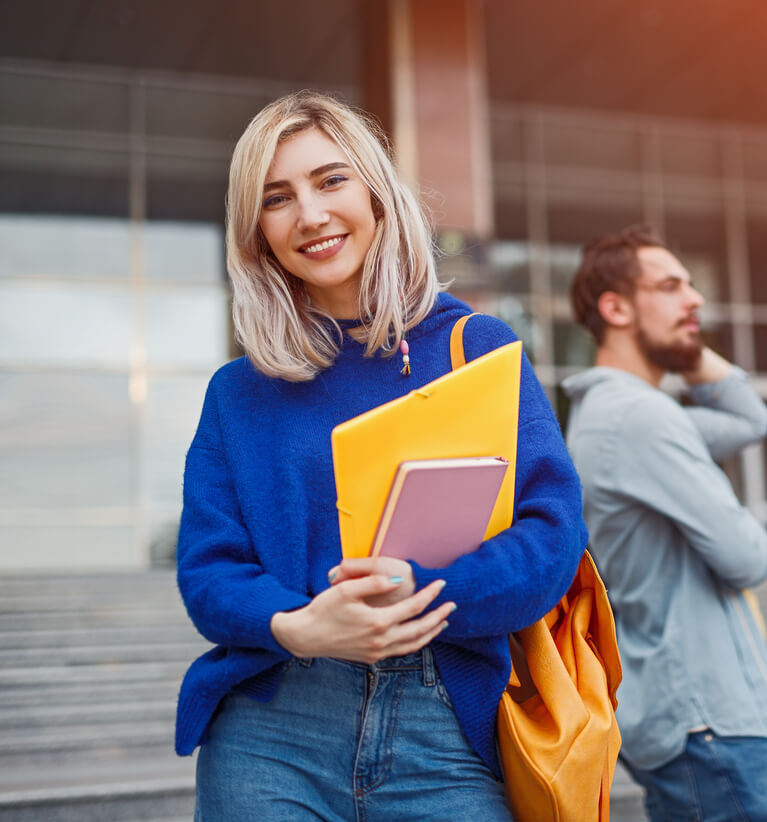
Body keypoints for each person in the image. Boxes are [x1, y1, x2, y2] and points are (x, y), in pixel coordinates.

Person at [173, 91, 587, 820]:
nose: (310, 215)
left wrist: (426, 592)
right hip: (274, 732)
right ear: (257, 232)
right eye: (277, 198)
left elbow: (550, 535)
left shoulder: (474, 350)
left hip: (447, 726)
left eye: (331, 180)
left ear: (375, 192)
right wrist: (296, 626)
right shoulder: (238, 392)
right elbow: (208, 569)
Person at [562, 226, 767, 822]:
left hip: (689, 719)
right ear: (615, 308)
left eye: (692, 287)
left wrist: (685, 343)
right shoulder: (641, 418)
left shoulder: (616, 414)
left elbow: (750, 418)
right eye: (671, 287)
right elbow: (750, 558)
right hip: (709, 718)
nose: (695, 300)